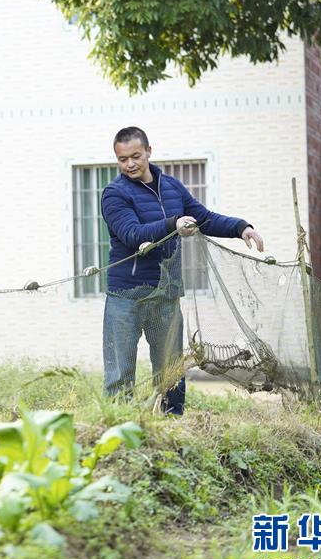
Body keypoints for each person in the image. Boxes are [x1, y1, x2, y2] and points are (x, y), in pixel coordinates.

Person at [101, 127, 265, 415]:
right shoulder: (114, 194)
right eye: (122, 159)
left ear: (149, 152)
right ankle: (117, 427)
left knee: (170, 371)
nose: (129, 164)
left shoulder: (172, 187)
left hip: (166, 293)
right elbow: (131, 234)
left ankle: (172, 425)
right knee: (120, 373)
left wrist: (241, 227)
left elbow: (204, 218)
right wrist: (172, 224)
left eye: (135, 156)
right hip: (126, 295)